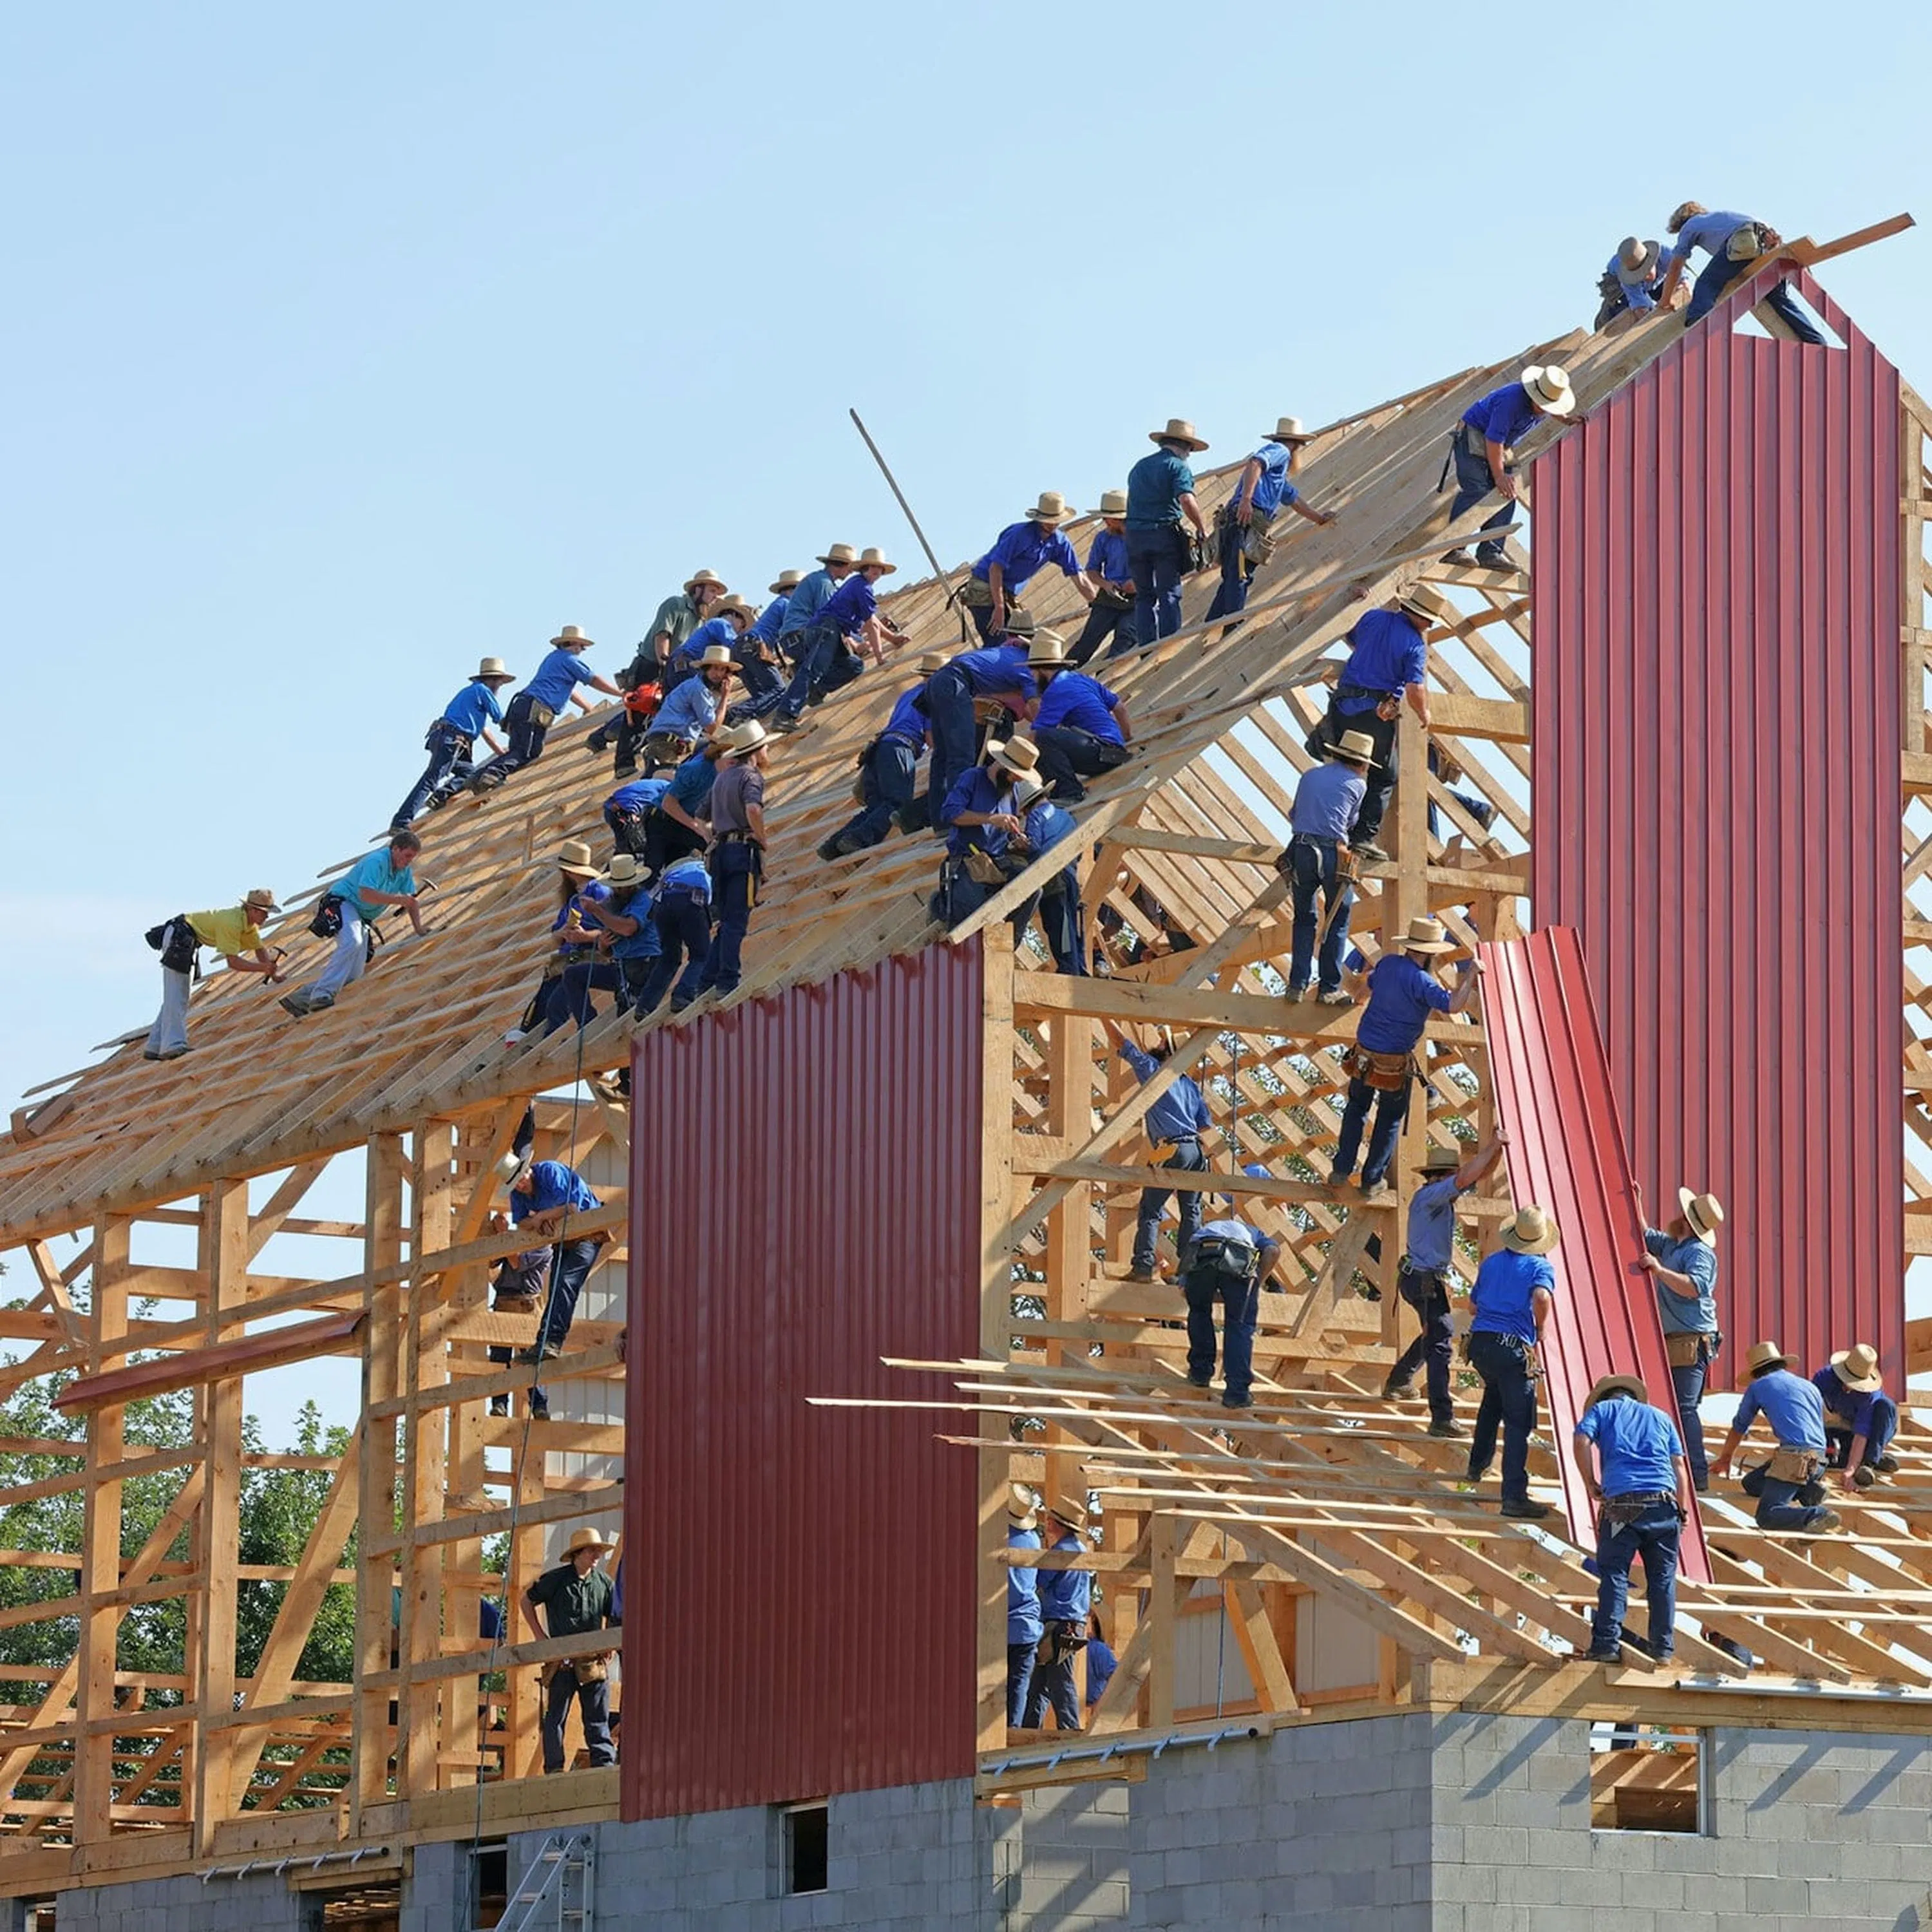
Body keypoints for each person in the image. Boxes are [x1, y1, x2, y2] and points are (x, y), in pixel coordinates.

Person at [1331, 919, 1481, 1197]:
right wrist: (1471, 974)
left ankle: (1341, 1168)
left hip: (1364, 1053)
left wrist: (1355, 1002)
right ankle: (1372, 1179)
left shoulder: (1387, 964)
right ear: (1429, 953)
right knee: (1389, 1120)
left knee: (1356, 1109)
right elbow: (1454, 1004)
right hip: (1393, 1062)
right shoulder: (1422, 982)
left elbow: (1366, 988)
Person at [1381, 1129, 1507, 1436]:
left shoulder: (1436, 1196)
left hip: (1420, 1278)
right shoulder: (1432, 1196)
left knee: (1435, 1333)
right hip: (1423, 1279)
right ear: (1443, 1177)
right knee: (1440, 1342)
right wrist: (1491, 1145)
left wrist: (1498, 1152)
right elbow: (1465, 1179)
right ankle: (1441, 1416)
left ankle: (1400, 1379)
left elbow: (1473, 1177)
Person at [1303, 592, 1435, 861]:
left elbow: (1351, 636)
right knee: (1385, 775)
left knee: (1346, 762)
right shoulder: (1415, 645)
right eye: (1430, 621)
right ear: (1419, 616)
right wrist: (1424, 714)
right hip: (1374, 716)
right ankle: (1362, 837)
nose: (1430, 626)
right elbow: (1415, 688)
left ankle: (1337, 827)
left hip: (1342, 706)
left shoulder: (1373, 617)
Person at [1571, 1374, 1691, 1663]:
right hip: (1664, 1505)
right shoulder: (1661, 1417)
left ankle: (1606, 1646)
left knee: (1614, 1574)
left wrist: (1590, 1481)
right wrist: (1682, 1510)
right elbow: (1679, 1467)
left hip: (1622, 1505)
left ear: (1603, 1398)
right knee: (1662, 1580)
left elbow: (1581, 1440)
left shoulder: (1602, 1411)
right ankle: (1663, 1649)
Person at [1464, 1205, 1561, 1520]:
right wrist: (1542, 1328)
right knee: (1519, 1423)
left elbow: (1473, 1306)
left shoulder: (1492, 1263)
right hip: (1511, 1347)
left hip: (1480, 1344)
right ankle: (1514, 1496)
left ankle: (1477, 1465)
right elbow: (1543, 1298)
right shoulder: (1539, 1267)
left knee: (1492, 1401)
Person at [588, 569, 726, 773]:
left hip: (675, 670)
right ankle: (624, 763)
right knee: (637, 711)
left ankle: (610, 736)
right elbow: (663, 634)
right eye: (712, 590)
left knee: (662, 710)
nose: (715, 596)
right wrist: (664, 661)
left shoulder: (700, 619)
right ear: (698, 589)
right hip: (652, 664)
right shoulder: (676, 604)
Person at [1440, 366, 1576, 570]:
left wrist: (1565, 419)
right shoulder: (1511, 402)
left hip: (1500, 444)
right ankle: (1453, 549)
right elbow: (1493, 440)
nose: (1545, 410)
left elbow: (1500, 443)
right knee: (1476, 491)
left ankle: (1491, 553)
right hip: (1475, 436)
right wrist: (1499, 475)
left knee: (1507, 494)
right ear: (1534, 396)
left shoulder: (1545, 402)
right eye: (1544, 405)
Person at [1205, 416, 1337, 623]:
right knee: (1239, 574)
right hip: (1246, 519)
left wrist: (1319, 518)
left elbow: (1294, 500)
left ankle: (1212, 624)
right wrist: (1247, 500)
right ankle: (1232, 623)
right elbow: (1255, 463)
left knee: (1234, 575)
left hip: (1241, 520)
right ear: (1297, 445)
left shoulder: (1277, 476)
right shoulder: (1281, 451)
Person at [1636, 1185, 1725, 1493]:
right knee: (1676, 1406)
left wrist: (1659, 1271)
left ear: (1687, 1220)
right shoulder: (1676, 1245)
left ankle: (1697, 1475)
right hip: (1679, 1337)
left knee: (1685, 1408)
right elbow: (1646, 1235)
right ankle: (1684, 1471)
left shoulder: (1699, 1253)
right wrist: (1637, 1201)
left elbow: (1694, 1287)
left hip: (1692, 1338)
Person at [1110, 1022, 1213, 1283]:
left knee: (1151, 1209)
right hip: (1196, 1152)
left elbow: (1124, 1045)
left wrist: (1103, 1017)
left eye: (1161, 1043)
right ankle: (1190, 1268)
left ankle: (1144, 1265)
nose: (1157, 1044)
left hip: (1172, 1148)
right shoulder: (1190, 1086)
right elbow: (1204, 1124)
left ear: (1167, 1049)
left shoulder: (1155, 1071)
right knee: (1191, 1210)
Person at [281, 831, 426, 1017]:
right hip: (342, 903)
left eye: (412, 858)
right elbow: (367, 894)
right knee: (352, 941)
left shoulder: (404, 871)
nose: (409, 861)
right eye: (407, 856)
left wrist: (419, 929)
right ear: (395, 849)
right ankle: (322, 994)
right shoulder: (377, 862)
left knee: (353, 973)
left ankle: (301, 998)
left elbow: (411, 902)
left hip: (362, 917)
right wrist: (399, 900)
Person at [506, 1154, 607, 1415]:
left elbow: (571, 1208)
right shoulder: (519, 1193)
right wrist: (545, 1217)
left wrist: (540, 1218)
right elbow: (521, 1222)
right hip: (566, 1237)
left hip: (587, 1232)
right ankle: (546, 1342)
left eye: (521, 1180)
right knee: (558, 1288)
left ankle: (551, 1342)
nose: (520, 1186)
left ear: (528, 1170)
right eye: (515, 1184)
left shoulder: (550, 1171)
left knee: (566, 1284)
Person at [1278, 730, 1374, 1000]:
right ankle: (1329, 989)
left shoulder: (1309, 776)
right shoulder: (1358, 785)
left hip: (1301, 849)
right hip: (1333, 852)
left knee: (1304, 919)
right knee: (1338, 920)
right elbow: (1351, 823)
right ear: (1363, 763)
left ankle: (1296, 985)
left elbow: (1293, 814)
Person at [820, 654, 944, 860]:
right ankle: (859, 838)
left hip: (881, 748)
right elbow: (931, 738)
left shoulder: (909, 694)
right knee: (898, 801)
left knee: (878, 804)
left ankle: (834, 845)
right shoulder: (933, 697)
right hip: (901, 748)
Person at [1711, 1341, 1841, 1533]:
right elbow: (1821, 1421)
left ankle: (1816, 1515)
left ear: (1756, 1373)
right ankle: (1808, 1490)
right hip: (1820, 1459)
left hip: (1796, 1459)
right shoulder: (1808, 1386)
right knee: (1752, 1483)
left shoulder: (1758, 1387)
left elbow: (1739, 1427)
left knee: (1767, 1516)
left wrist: (1725, 1459)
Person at [470, 627, 623, 791]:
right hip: (533, 709)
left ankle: (478, 777)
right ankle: (492, 774)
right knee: (527, 752)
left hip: (522, 706)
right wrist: (621, 693)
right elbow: (593, 680)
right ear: (573, 644)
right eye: (581, 646)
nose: (581, 651)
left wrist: (588, 708)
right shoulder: (570, 659)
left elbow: (568, 692)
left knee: (516, 751)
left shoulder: (554, 659)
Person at [1653, 202, 1825, 343]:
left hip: (1745, 242)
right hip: (1770, 247)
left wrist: (1665, 300)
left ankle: (1699, 328)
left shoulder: (1690, 225)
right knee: (1778, 299)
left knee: (1707, 284)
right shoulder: (1721, 217)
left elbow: (1676, 266)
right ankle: (1816, 341)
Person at [772, 549, 905, 730]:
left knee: (853, 665)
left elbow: (869, 620)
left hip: (817, 632)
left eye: (879, 570)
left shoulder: (853, 585)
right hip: (811, 634)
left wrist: (892, 638)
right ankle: (785, 714)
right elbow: (838, 620)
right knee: (813, 670)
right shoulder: (828, 584)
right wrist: (879, 656)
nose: (877, 574)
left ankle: (815, 690)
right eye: (873, 569)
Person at [521, 1526, 618, 1773]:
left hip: (592, 1662)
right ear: (578, 1554)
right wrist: (540, 1637)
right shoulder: (556, 1579)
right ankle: (554, 1769)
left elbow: (615, 1615)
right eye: (591, 1551)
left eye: (598, 1551)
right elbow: (527, 1599)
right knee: (556, 1718)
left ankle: (603, 1766)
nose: (596, 1556)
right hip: (562, 1663)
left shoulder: (604, 1582)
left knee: (597, 1718)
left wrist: (610, 1642)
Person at [144, 889, 283, 1060]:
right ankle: (172, 1045)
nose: (267, 917)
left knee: (177, 994)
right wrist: (263, 969)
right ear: (253, 910)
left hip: (187, 938)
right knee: (178, 994)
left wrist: (272, 972)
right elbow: (233, 962)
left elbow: (259, 949)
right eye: (265, 913)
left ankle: (155, 1045)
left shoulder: (248, 926)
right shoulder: (232, 923)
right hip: (180, 935)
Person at [502, 842, 611, 1045]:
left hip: (590, 955)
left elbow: (613, 930)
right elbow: (556, 936)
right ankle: (528, 1038)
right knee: (542, 1001)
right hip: (569, 956)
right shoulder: (573, 899)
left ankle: (549, 1043)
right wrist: (563, 933)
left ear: (568, 872)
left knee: (557, 1005)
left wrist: (585, 936)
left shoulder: (600, 892)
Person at [923, 636, 1037, 829]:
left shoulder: (1006, 654)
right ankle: (959, 817)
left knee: (942, 757)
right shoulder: (1027, 668)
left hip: (942, 681)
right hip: (956, 683)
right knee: (962, 757)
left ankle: (940, 823)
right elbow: (1035, 709)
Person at [391, 656, 516, 827]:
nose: (499, 688)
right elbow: (501, 720)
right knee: (430, 780)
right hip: (452, 740)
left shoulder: (471, 694)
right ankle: (401, 821)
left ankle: (439, 797)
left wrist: (501, 753)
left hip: (450, 739)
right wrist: (519, 742)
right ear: (492, 681)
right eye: (499, 683)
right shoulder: (483, 691)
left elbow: (484, 731)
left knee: (469, 774)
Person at [543, 854, 661, 1032]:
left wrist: (597, 911)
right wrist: (603, 945)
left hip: (644, 965)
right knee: (573, 975)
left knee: (634, 1015)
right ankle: (587, 1027)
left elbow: (628, 928)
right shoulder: (612, 903)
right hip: (621, 967)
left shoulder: (642, 899)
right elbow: (608, 945)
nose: (622, 890)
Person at [694, 721, 770, 999]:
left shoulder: (722, 778)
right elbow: (753, 808)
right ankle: (727, 981)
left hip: (719, 856)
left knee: (725, 922)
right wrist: (761, 838)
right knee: (737, 921)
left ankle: (706, 980)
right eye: (766, 746)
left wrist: (711, 839)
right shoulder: (751, 776)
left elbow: (700, 818)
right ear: (757, 750)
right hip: (741, 853)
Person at [933, 737, 1043, 925]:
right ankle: (941, 908)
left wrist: (1015, 840)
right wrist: (990, 819)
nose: (1018, 779)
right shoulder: (973, 778)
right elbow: (950, 813)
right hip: (968, 860)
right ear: (1003, 766)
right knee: (972, 920)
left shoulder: (1013, 790)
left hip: (997, 862)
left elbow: (1005, 831)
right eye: (1015, 775)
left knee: (1032, 890)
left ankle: (1007, 945)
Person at [1181, 1206, 1282, 1411]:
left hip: (1202, 1256)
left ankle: (1200, 1373)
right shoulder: (1254, 1232)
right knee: (1240, 1325)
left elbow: (1184, 1288)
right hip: (1238, 1256)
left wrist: (1213, 1292)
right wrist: (1255, 1285)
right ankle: (1236, 1393)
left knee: (1199, 1313)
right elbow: (1272, 1251)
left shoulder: (1204, 1231)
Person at [961, 493, 1096, 642]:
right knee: (998, 639)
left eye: (1055, 521)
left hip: (1008, 594)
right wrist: (999, 607)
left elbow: (1079, 576)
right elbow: (995, 569)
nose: (1051, 524)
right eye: (1047, 520)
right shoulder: (1019, 534)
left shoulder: (1060, 542)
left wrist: (1096, 604)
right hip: (985, 589)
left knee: (1021, 642)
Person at [1124, 419, 1211, 643]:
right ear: (1186, 446)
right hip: (1162, 534)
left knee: (1144, 597)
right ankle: (1169, 644)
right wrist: (1202, 528)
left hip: (1134, 536)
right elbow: (1186, 499)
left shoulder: (1140, 466)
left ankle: (1145, 648)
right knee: (1169, 593)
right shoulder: (1178, 466)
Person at [1028, 632, 1133, 802]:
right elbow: (1120, 708)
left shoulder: (1056, 690)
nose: (1032, 679)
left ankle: (1070, 793)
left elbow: (1034, 736)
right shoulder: (1081, 679)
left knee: (1042, 738)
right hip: (1113, 751)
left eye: (1032, 673)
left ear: (1041, 670)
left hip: (1100, 754)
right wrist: (1126, 738)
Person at [1021, 1504, 1095, 1730]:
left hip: (1058, 1623)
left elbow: (1039, 1582)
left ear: (1056, 1525)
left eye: (1050, 1520)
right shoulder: (1081, 1550)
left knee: (1058, 1680)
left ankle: (1069, 1730)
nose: (1047, 1522)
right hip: (1072, 1623)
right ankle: (1030, 1729)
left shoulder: (1061, 1552)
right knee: (1042, 1682)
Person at [1012, 775, 1086, 976]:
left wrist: (1019, 846)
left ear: (1026, 806)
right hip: (1070, 877)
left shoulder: (1036, 816)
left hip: (1053, 880)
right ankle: (1079, 968)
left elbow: (1034, 847)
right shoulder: (1067, 817)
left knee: (1058, 928)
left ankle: (1069, 971)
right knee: (1071, 926)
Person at [1813, 1343, 1900, 1491]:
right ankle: (1875, 1459)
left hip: (1872, 1432)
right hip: (1842, 1427)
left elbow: (1861, 1435)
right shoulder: (1824, 1378)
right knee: (1829, 1450)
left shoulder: (1869, 1396)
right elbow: (1810, 1408)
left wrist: (1851, 1471)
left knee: (1886, 1406)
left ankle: (1869, 1463)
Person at [636, 851, 714, 1016]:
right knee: (701, 955)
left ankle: (645, 1006)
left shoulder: (672, 873)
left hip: (662, 904)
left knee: (669, 958)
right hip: (690, 900)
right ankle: (682, 996)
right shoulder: (706, 869)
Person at [639, 741, 727, 880]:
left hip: (687, 821)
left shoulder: (729, 778)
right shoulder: (695, 770)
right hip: (662, 819)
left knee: (682, 865)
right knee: (653, 868)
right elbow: (668, 804)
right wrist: (697, 827)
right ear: (720, 755)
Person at [642, 644, 735, 772]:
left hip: (678, 741)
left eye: (722, 670)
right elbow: (713, 728)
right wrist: (725, 696)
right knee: (665, 782)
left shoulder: (702, 689)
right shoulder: (698, 690)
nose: (718, 674)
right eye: (714, 669)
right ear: (706, 669)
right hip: (666, 743)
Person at [1070, 489, 1136, 665]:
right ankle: (1061, 677)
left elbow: (1157, 564)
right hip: (1110, 596)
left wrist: (1139, 581)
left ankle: (1106, 676)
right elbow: (1092, 571)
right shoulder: (1103, 538)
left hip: (1139, 597)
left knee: (1126, 637)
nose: (1104, 522)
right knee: (1087, 641)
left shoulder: (1143, 535)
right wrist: (1106, 584)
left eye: (1107, 518)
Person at [776, 544, 858, 667]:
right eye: (850, 568)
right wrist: (856, 642)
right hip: (801, 637)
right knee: (849, 665)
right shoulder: (825, 585)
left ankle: (802, 672)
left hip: (793, 640)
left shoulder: (820, 580)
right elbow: (831, 619)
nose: (851, 572)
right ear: (840, 565)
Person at [662, 594, 758, 691]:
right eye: (742, 624)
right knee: (693, 696)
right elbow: (736, 647)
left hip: (677, 666)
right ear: (734, 614)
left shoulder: (714, 626)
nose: (741, 630)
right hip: (687, 665)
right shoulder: (721, 624)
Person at [1007, 1486, 1044, 1727]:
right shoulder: (1033, 1539)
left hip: (999, 1622)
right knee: (1019, 1684)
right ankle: (1012, 1730)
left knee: (987, 1684)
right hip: (1027, 1623)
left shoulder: (996, 1536)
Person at [1594, 236, 1669, 329]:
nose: (1645, 277)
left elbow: (1682, 280)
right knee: (1629, 317)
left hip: (1655, 282)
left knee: (1669, 290)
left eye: (1646, 271)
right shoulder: (1627, 280)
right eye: (1640, 274)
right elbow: (1641, 310)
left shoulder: (1666, 256)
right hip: (1618, 286)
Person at [603, 773, 671, 860]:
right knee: (636, 847)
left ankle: (616, 867)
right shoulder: (667, 788)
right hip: (625, 811)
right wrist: (633, 813)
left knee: (624, 846)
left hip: (612, 807)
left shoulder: (651, 784)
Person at [1084, 1613, 1117, 1710]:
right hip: (1093, 1708)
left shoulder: (1098, 1649)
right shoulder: (1099, 1649)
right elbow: (1116, 1677)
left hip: (1089, 1708)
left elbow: (1114, 1676)